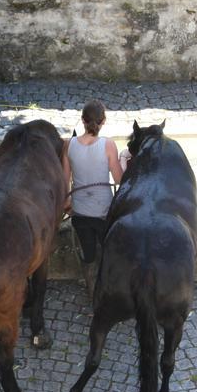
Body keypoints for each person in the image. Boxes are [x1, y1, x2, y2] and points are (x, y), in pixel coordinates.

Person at [62, 100, 123, 298]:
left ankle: (91, 290)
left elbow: (65, 181)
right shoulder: (108, 144)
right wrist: (124, 160)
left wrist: (68, 204)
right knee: (107, 253)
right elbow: (119, 179)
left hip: (79, 211)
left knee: (88, 255)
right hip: (104, 211)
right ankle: (109, 291)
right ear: (103, 121)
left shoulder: (68, 145)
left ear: (82, 120)